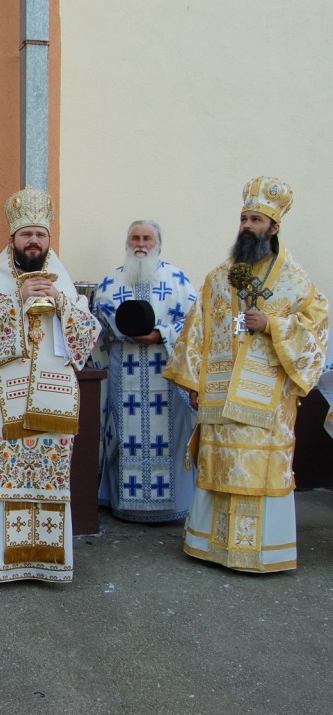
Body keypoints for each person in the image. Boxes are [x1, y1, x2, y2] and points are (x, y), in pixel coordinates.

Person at [164, 176, 329, 573]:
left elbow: (317, 330)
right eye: (244, 218)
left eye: (256, 219)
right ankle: (211, 547)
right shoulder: (219, 277)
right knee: (219, 465)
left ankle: (260, 555)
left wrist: (274, 325)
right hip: (219, 393)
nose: (247, 226)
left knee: (258, 471)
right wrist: (192, 383)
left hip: (267, 396)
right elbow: (197, 330)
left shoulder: (295, 281)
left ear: (273, 227)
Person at [0, 186, 100, 583]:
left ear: (48, 241)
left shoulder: (64, 282)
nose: (34, 241)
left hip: (53, 403)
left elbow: (87, 335)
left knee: (49, 479)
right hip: (7, 404)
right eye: (27, 235)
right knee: (7, 480)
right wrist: (16, 299)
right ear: (13, 240)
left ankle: (48, 564)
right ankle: (4, 563)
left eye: (40, 235)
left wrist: (60, 304)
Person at [92, 220, 197, 522]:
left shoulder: (178, 280)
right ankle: (124, 504)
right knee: (123, 436)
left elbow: (193, 323)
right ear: (127, 243)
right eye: (135, 237)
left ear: (158, 243)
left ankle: (171, 506)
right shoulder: (111, 282)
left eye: (147, 238)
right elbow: (99, 324)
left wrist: (161, 333)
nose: (141, 243)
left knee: (170, 438)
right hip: (123, 373)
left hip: (165, 374)